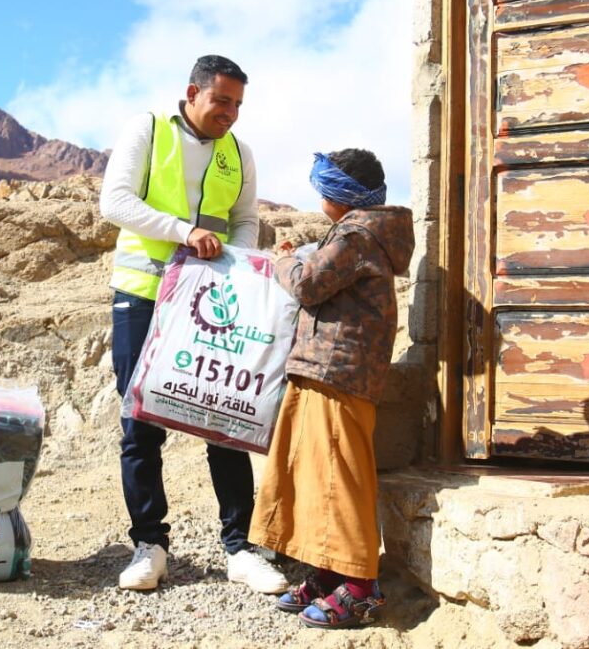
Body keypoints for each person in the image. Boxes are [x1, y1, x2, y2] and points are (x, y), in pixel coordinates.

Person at [99, 54, 288, 595]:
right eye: (221, 101)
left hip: (211, 302)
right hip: (142, 296)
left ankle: (240, 547)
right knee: (139, 423)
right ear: (192, 92)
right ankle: (149, 546)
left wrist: (236, 263)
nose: (230, 114)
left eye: (237, 105)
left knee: (224, 417)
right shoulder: (149, 129)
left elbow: (246, 219)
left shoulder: (239, 153)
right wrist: (183, 232)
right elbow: (114, 201)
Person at [248, 148, 414, 628]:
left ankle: (361, 587)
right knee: (316, 473)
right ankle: (327, 571)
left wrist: (283, 262)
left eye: (325, 186)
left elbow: (309, 284)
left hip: (339, 371)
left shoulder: (357, 234)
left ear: (340, 194)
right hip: (325, 368)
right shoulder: (360, 234)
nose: (319, 193)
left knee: (340, 477)